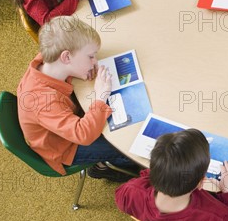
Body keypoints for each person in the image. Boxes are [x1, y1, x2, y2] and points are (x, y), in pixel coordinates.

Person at [17, 15, 139, 181]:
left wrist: (78, 70)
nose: (94, 61)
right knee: (127, 147)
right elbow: (83, 135)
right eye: (90, 56)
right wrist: (101, 96)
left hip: (67, 124)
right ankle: (102, 168)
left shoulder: (47, 61)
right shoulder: (43, 102)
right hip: (67, 148)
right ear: (66, 57)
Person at [115, 130, 228, 221]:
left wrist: (160, 171)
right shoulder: (216, 218)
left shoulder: (130, 193)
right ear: (201, 183)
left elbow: (120, 197)